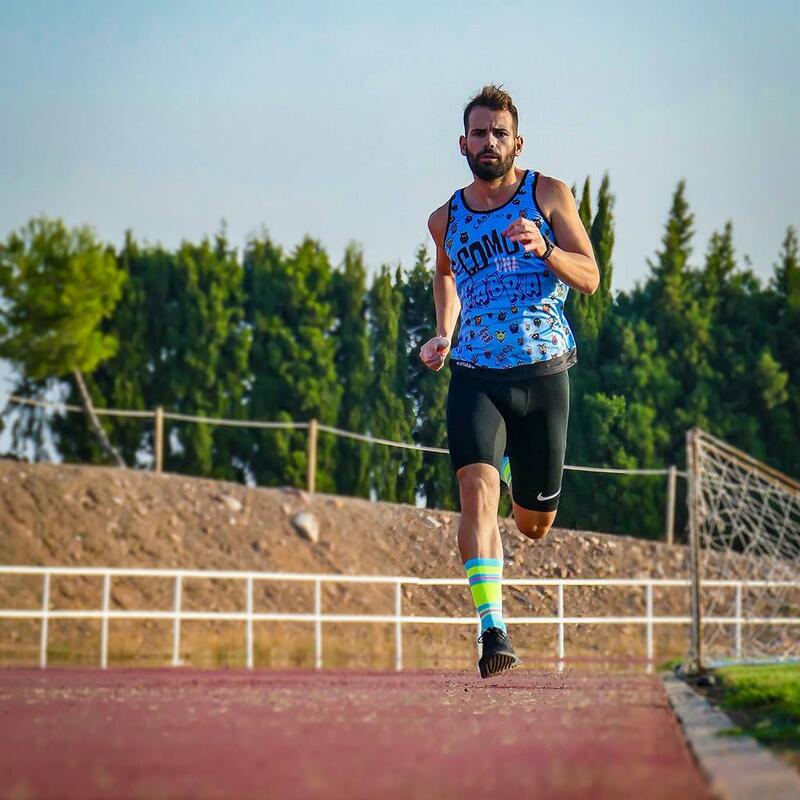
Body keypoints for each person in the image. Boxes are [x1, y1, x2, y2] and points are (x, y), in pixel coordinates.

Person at [420, 85, 599, 678]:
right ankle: (492, 629)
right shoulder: (444, 218)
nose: (488, 143)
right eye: (478, 133)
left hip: (543, 373)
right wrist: (445, 331)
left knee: (533, 525)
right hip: (475, 375)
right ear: (462, 143)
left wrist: (546, 247)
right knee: (475, 492)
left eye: (499, 133)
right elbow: (445, 275)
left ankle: (526, 481)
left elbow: (591, 277)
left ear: (516, 141)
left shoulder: (547, 193)